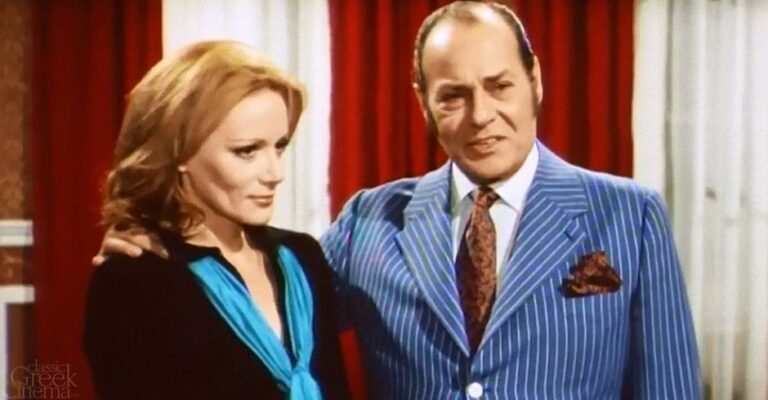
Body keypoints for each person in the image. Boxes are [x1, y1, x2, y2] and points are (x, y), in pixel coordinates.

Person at [94, 2, 701, 399]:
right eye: (453, 96)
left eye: (499, 86)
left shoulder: (631, 216)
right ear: (423, 102)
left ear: (534, 80)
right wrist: (152, 238)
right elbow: (260, 319)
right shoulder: (372, 221)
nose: (481, 115)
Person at [83, 41, 349, 400]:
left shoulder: (302, 256)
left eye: (280, 146)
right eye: (247, 151)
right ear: (179, 152)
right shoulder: (137, 279)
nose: (275, 173)